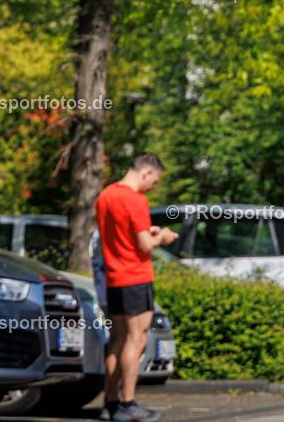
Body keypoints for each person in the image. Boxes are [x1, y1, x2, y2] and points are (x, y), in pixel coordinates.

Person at [94, 153, 179, 422]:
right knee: (136, 339)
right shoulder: (136, 200)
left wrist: (146, 233)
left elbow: (122, 235)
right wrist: (162, 236)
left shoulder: (105, 196)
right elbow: (144, 245)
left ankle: (110, 402)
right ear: (146, 173)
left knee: (118, 341)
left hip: (114, 278)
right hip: (136, 277)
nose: (153, 186)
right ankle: (127, 404)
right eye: (155, 179)